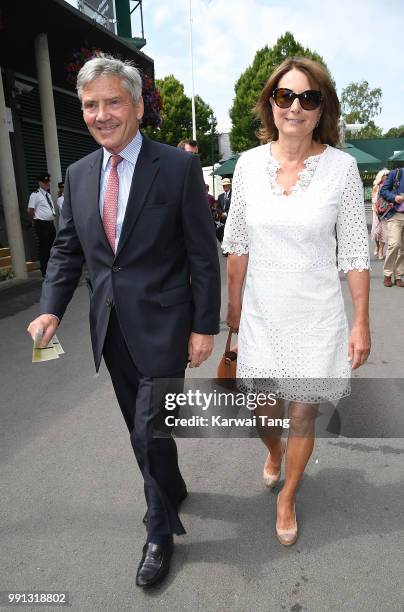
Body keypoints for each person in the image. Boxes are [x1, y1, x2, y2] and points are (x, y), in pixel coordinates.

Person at [27, 55, 221, 587]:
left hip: (164, 325)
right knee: (148, 428)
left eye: (113, 101)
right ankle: (171, 484)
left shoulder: (177, 168)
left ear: (136, 105)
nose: (101, 114)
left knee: (145, 428)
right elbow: (69, 251)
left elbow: (204, 255)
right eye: (91, 105)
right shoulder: (80, 173)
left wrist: (205, 325)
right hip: (109, 328)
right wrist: (49, 308)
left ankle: (159, 531)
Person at [223, 57, 370, 546]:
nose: (296, 107)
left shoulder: (343, 170)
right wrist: (233, 313)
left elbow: (353, 251)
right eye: (285, 96)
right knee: (266, 410)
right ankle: (273, 451)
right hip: (263, 315)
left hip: (317, 315)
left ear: (321, 107)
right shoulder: (246, 165)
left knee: (303, 413)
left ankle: (288, 495)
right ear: (271, 103)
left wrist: (361, 322)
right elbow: (237, 244)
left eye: (308, 98)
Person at [27, 173, 56, 277]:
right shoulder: (35, 195)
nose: (47, 184)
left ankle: (53, 269)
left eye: (48, 182)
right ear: (39, 183)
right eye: (44, 182)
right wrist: (35, 220)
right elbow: (30, 210)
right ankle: (45, 271)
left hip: (50, 224)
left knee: (53, 247)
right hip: (41, 224)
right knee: (44, 248)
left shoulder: (48, 195)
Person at [380, 165, 404, 287]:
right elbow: (383, 191)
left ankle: (399, 275)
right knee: (394, 244)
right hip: (396, 214)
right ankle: (387, 274)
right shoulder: (396, 173)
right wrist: (395, 197)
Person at [370, 169, 389, 260]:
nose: (386, 177)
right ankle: (377, 246)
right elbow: (373, 199)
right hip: (376, 212)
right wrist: (375, 208)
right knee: (376, 231)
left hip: (386, 212)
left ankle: (381, 249)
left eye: (387, 176)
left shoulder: (390, 187)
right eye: (385, 176)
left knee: (384, 232)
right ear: (380, 177)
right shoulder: (376, 187)